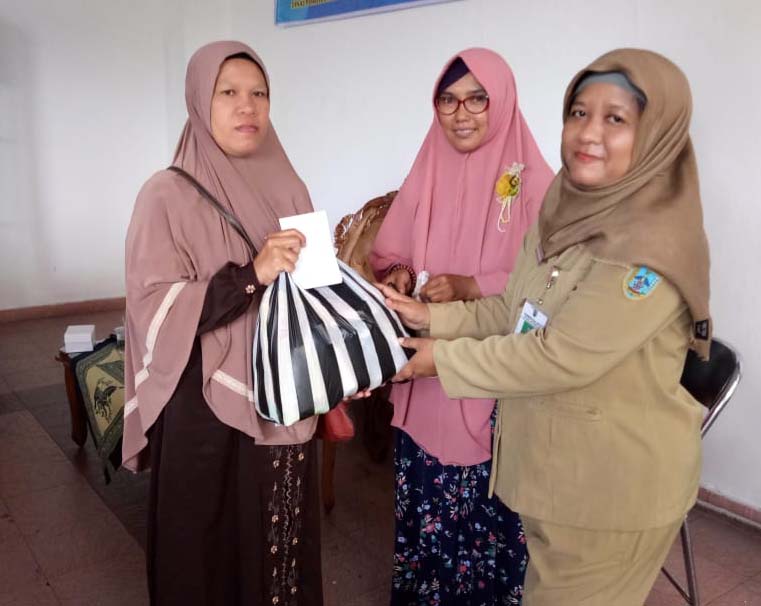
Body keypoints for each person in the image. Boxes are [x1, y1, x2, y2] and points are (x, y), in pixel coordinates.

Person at [381, 48, 710, 605]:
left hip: (607, 491)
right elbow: (515, 308)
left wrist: (434, 359)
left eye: (615, 118)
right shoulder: (568, 209)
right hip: (552, 468)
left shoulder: (650, 247)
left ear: (658, 131)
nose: (588, 133)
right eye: (579, 112)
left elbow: (557, 354)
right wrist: (428, 316)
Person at [123, 41, 323, 606]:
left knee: (279, 550)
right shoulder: (164, 195)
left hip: (285, 396)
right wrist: (250, 275)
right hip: (202, 408)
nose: (247, 106)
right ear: (198, 101)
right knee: (209, 551)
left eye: (259, 93)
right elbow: (153, 307)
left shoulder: (290, 186)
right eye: (228, 92)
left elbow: (315, 292)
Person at [369, 48, 554, 605]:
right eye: (447, 101)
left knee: (487, 513)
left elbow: (550, 283)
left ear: (501, 102)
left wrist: (473, 284)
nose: (461, 113)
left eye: (477, 99)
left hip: (494, 375)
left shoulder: (537, 183)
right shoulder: (429, 162)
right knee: (426, 496)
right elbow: (392, 248)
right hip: (426, 365)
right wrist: (401, 274)